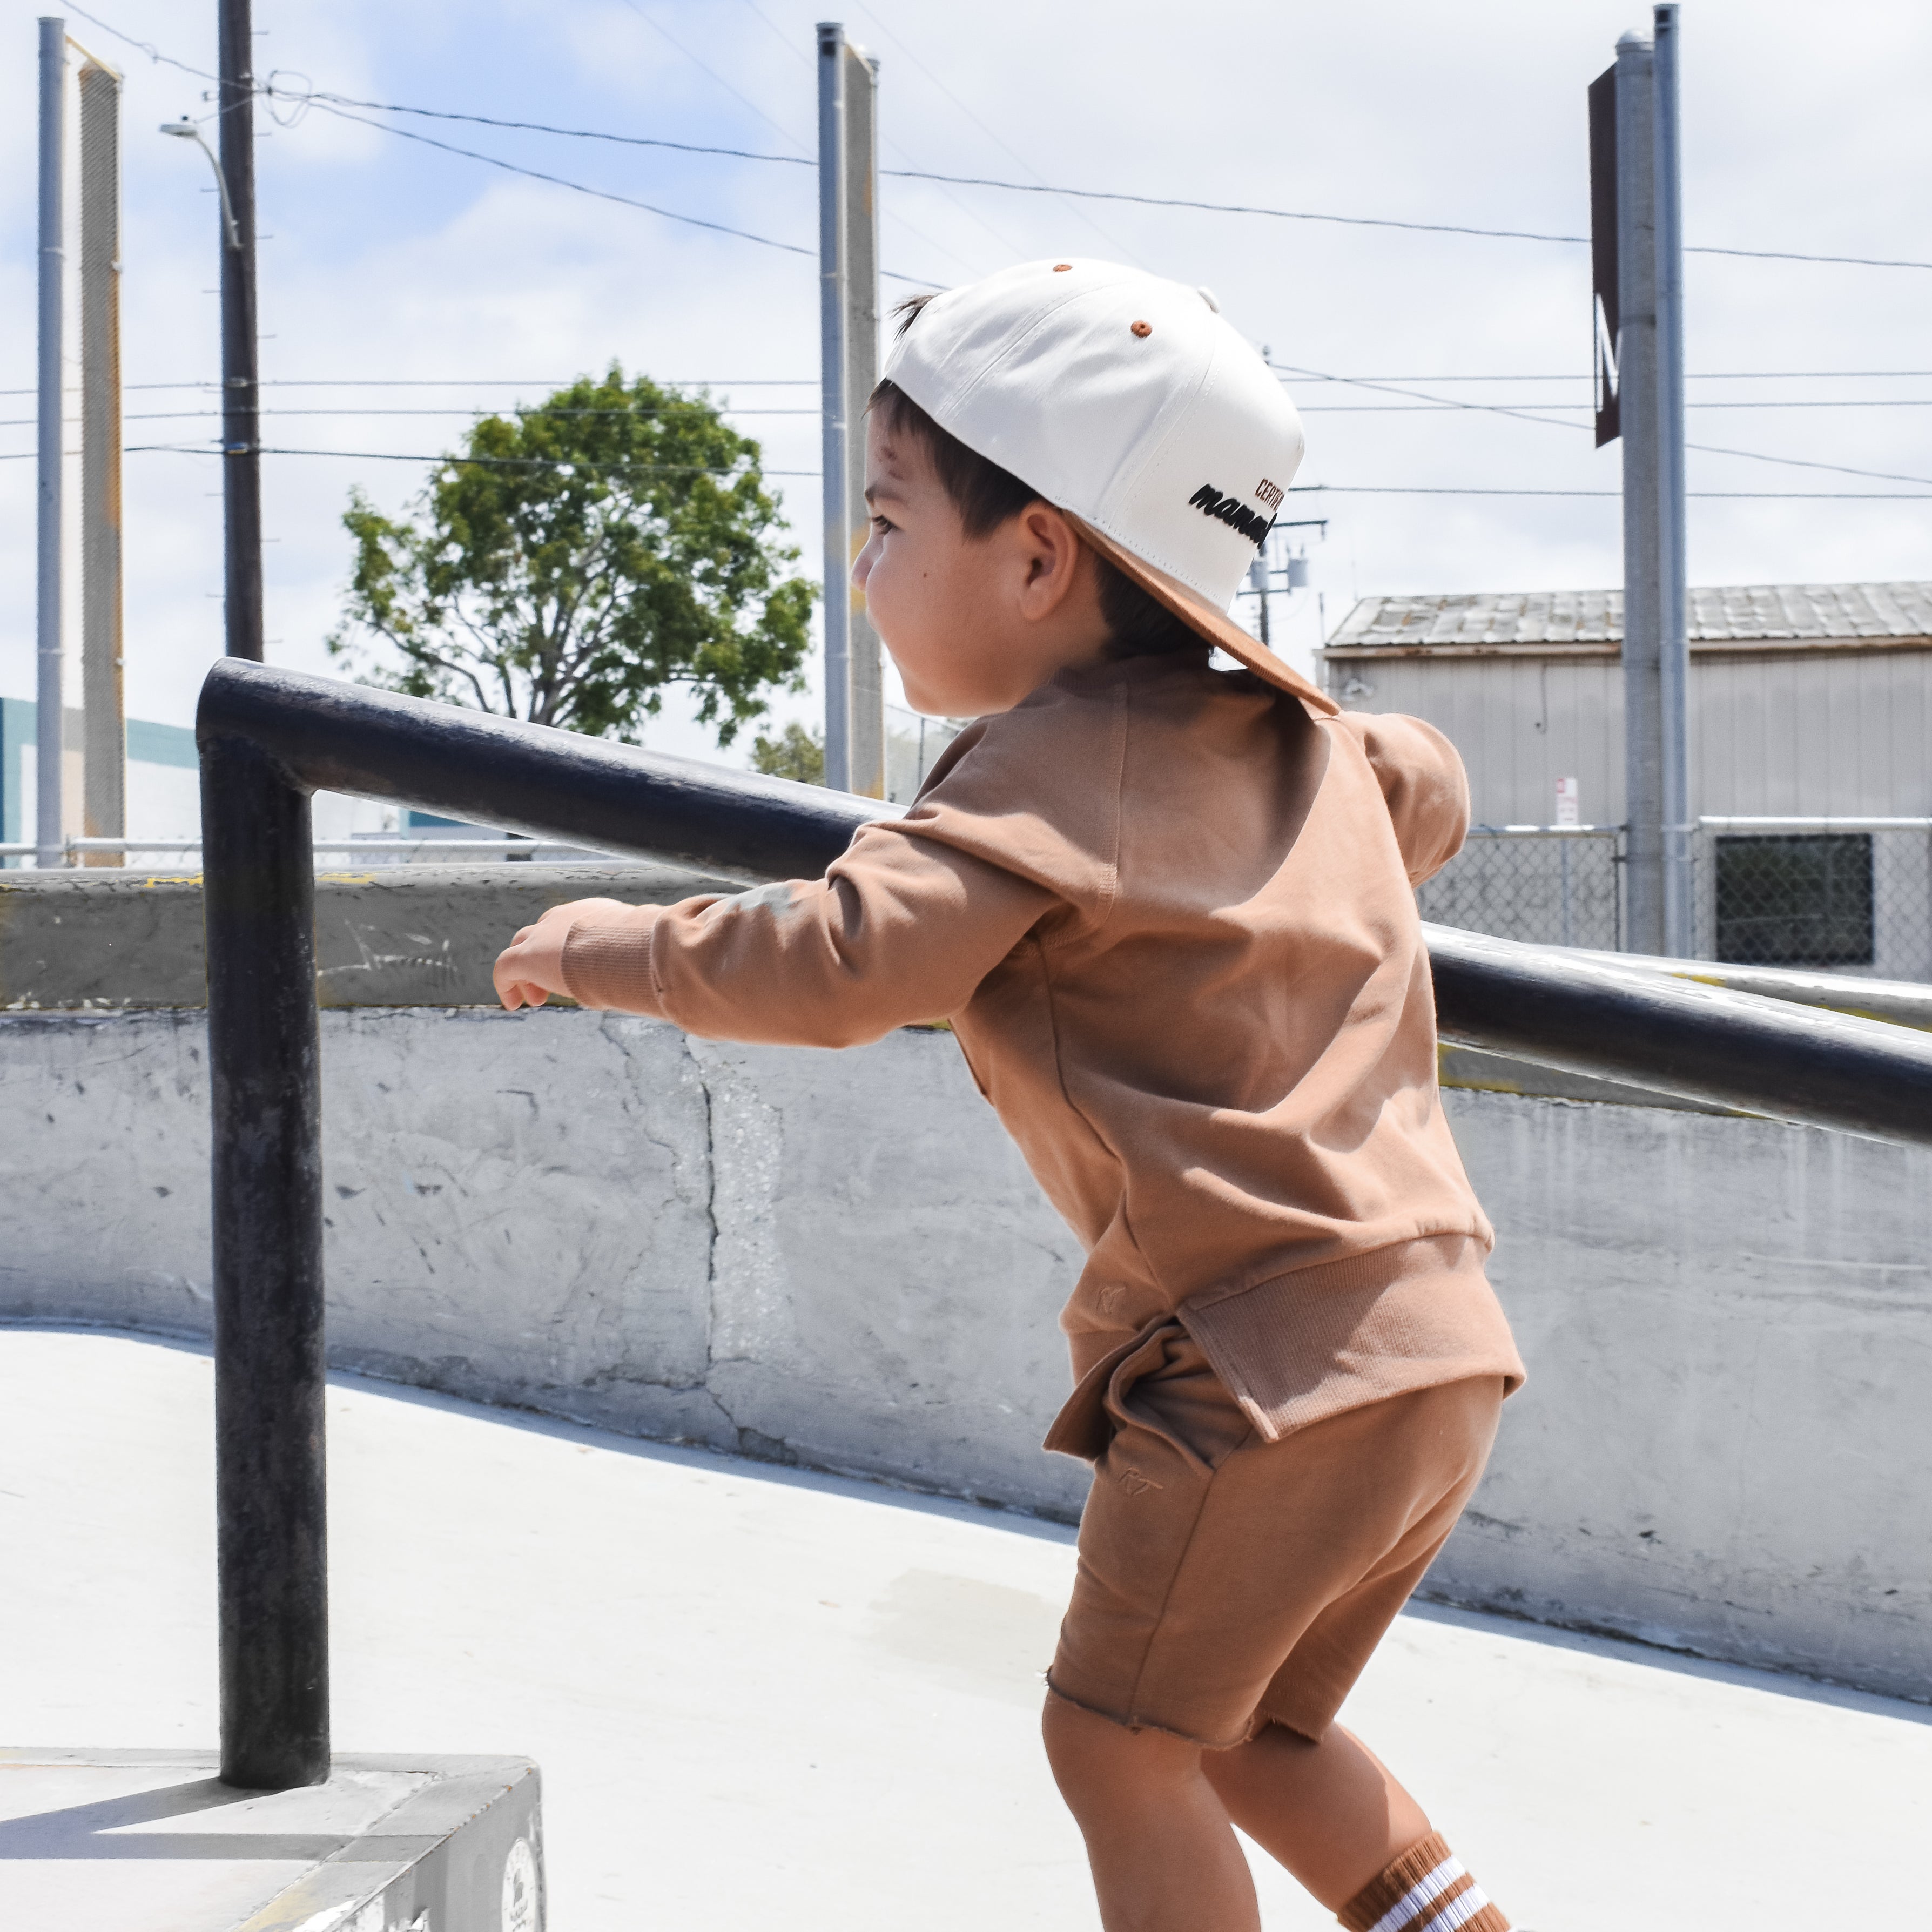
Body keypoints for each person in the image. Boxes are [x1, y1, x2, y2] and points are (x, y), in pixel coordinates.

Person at [493, 258, 1525, 1932]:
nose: (860, 563)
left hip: (1251, 1364)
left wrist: (607, 941)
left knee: (1115, 1742)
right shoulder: (1314, 746)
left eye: (888, 521)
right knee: (1255, 1731)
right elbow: (1434, 785)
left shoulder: (1036, 774)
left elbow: (838, 965)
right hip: (1436, 1341)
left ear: (1038, 553)